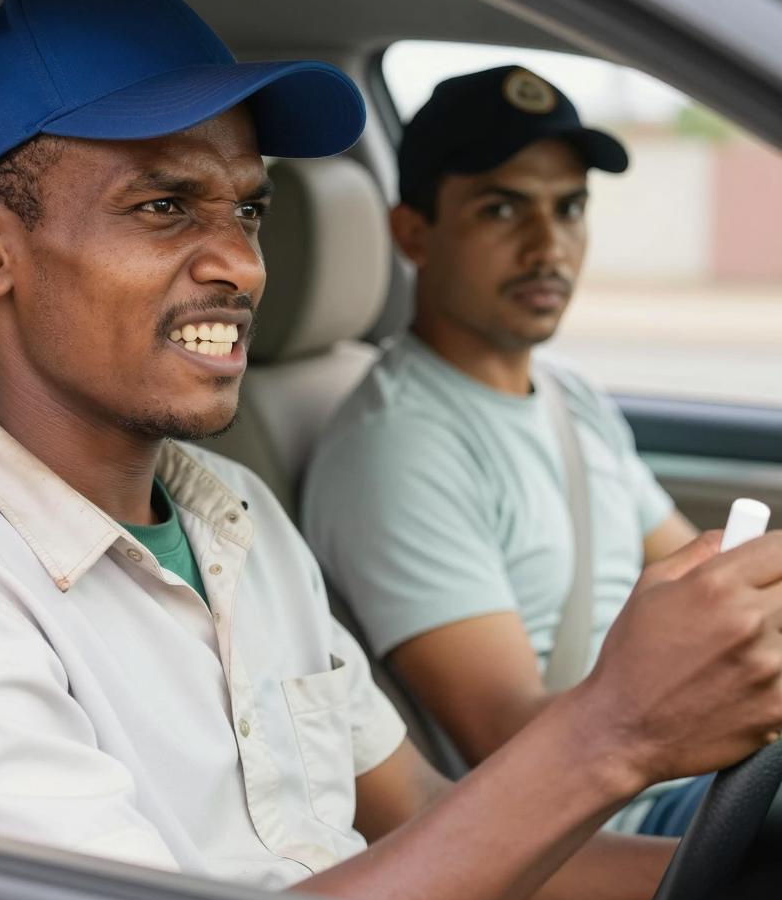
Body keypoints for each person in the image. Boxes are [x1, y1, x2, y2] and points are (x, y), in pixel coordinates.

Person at [0, 0, 782, 900]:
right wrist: (611, 733)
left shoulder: (231, 510)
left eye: (247, 208)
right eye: (163, 206)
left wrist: (743, 866)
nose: (243, 264)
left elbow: (425, 816)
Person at [302, 65, 736, 838]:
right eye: (501, 209)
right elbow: (507, 737)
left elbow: (704, 570)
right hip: (621, 825)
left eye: (569, 208)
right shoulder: (396, 449)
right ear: (414, 233)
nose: (548, 246)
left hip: (696, 775)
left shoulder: (573, 399)